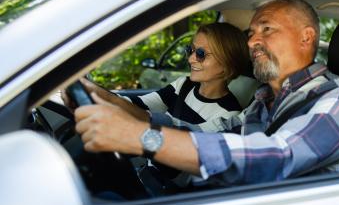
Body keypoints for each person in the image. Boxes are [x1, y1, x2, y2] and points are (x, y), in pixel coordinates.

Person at [73, 0, 339, 187]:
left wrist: (142, 137)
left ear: (306, 38)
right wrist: (133, 116)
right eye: (251, 33)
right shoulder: (265, 99)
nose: (253, 41)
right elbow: (213, 135)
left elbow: (275, 157)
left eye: (267, 29)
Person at [64, 22, 251, 127]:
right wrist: (96, 94)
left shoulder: (229, 115)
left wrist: (99, 95)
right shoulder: (183, 85)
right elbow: (140, 104)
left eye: (201, 54)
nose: (191, 59)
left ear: (227, 66)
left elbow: (180, 133)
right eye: (190, 50)